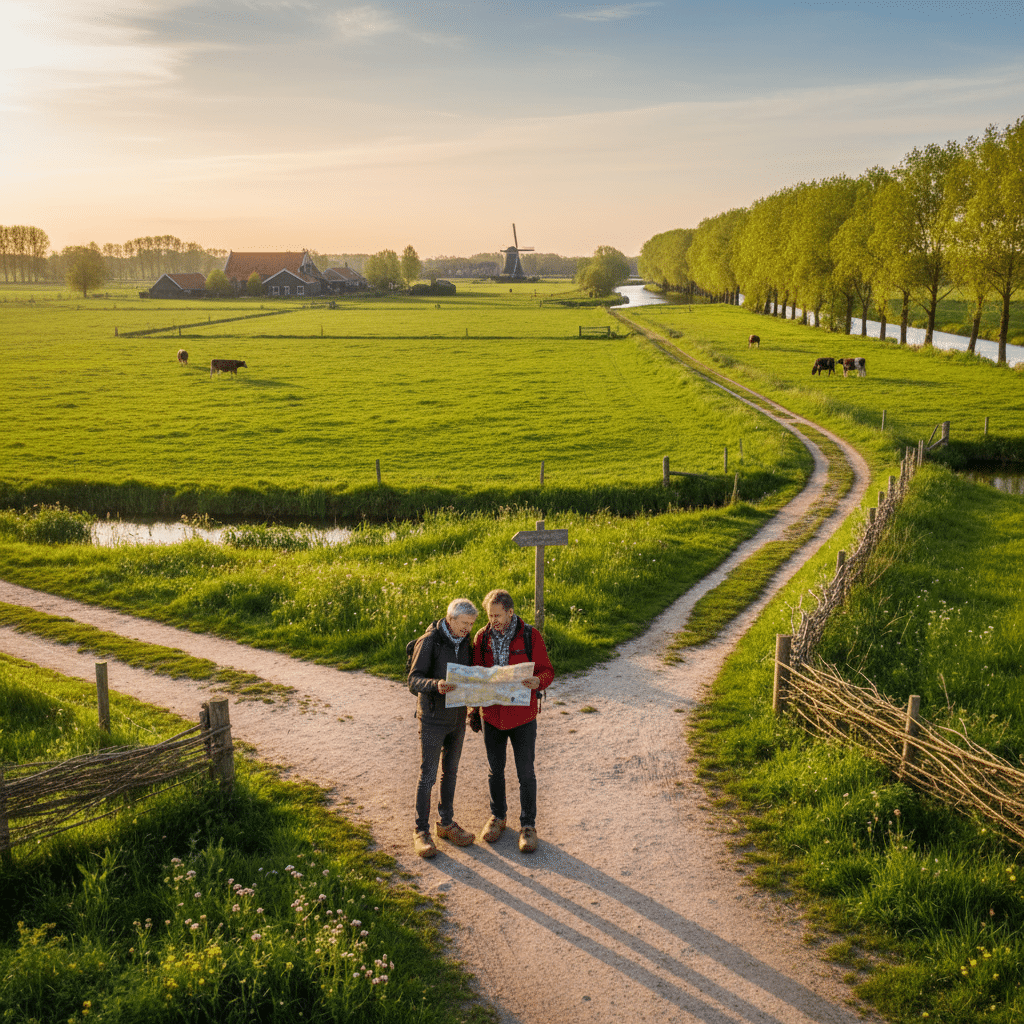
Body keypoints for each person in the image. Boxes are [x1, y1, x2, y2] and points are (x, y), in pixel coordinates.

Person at [469, 589, 554, 853]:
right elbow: (475, 677)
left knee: (525, 773)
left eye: (497, 615)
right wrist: (474, 709)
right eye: (489, 615)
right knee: (495, 771)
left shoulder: (530, 635)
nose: (493, 620)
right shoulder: (482, 638)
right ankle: (498, 817)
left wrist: (538, 681)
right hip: (493, 716)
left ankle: (528, 826)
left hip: (523, 716)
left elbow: (547, 670)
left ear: (510, 612)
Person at [408, 598, 479, 858]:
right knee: (427, 774)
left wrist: (474, 708)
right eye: (463, 623)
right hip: (432, 719)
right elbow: (413, 679)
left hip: (457, 719)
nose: (468, 629)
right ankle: (421, 832)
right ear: (450, 620)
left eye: (471, 624)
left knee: (450, 772)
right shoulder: (429, 641)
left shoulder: (466, 643)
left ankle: (446, 824)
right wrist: (436, 684)